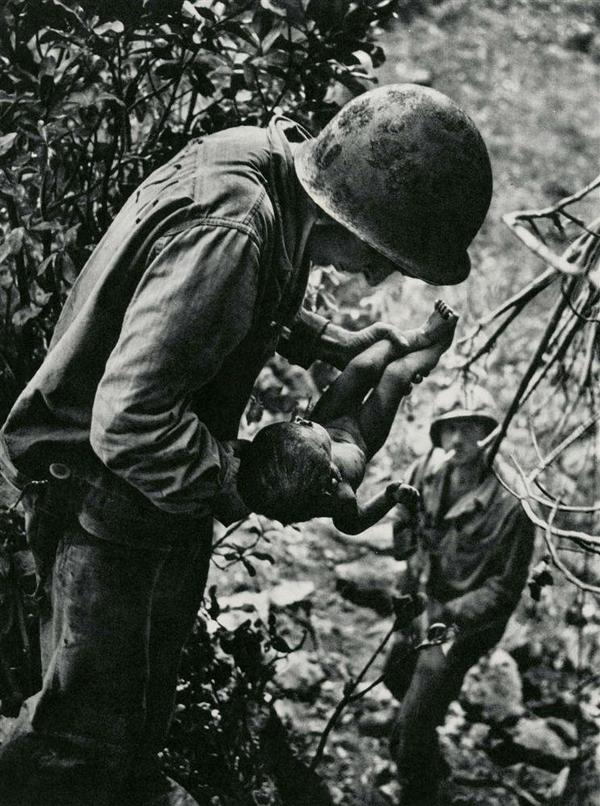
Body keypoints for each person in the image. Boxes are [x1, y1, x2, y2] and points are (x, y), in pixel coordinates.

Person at [0, 84, 493, 806]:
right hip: (100, 490)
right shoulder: (232, 231)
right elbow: (130, 423)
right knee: (77, 737)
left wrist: (331, 340)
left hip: (156, 491)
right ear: (356, 222)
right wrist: (251, 482)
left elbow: (241, 291)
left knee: (137, 717)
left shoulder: (266, 168)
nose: (380, 273)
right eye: (389, 255)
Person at [382, 383, 536, 806]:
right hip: (428, 598)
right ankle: (425, 732)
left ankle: (418, 783)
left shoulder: (513, 503)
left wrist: (448, 616)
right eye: (449, 429)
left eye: (471, 428)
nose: (457, 440)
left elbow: (505, 589)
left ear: (490, 432)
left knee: (411, 724)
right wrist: (408, 563)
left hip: (469, 622)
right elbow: (404, 522)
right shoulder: (426, 472)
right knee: (395, 671)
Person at [236, 300, 458, 532]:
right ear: (331, 474)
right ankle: (439, 345)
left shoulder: (272, 464)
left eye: (302, 424)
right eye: (307, 425)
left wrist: (238, 447)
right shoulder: (340, 495)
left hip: (330, 419)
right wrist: (389, 497)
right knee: (396, 374)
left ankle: (421, 335)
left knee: (363, 365)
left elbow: (247, 452)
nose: (303, 420)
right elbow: (353, 524)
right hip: (361, 438)